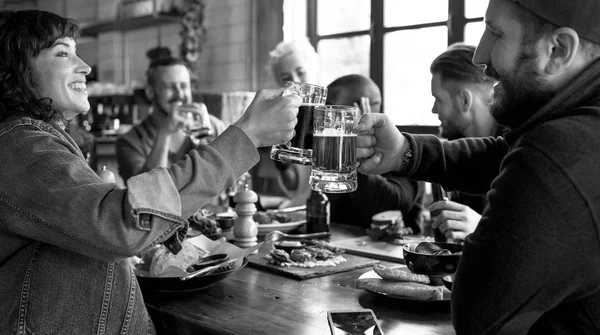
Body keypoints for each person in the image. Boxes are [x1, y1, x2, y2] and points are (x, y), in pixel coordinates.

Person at [0, 9, 301, 334]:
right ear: (16, 71)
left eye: (77, 52)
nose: (85, 67)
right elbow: (119, 225)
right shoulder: (21, 144)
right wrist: (246, 136)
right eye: (63, 53)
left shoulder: (38, 141)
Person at [356, 0, 600, 333]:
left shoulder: (559, 152)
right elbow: (503, 153)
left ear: (558, 50)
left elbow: (477, 316)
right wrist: (403, 152)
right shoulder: (578, 128)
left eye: (495, 33)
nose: (480, 55)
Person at [326, 74, 424, 232]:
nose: (325, 115)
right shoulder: (332, 151)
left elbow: (389, 208)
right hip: (345, 248)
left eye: (330, 108)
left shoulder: (403, 150)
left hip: (396, 252)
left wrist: (359, 157)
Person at [428, 43, 500, 241]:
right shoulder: (457, 155)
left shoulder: (517, 149)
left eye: (438, 99)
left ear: (465, 101)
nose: (434, 110)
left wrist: (482, 228)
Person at [116, 56, 227, 182]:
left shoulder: (214, 127)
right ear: (150, 92)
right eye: (170, 87)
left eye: (184, 86)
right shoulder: (130, 142)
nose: (180, 94)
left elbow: (234, 179)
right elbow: (148, 192)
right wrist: (164, 134)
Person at [254, 39, 320, 207]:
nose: (296, 81)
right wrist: (282, 166)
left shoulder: (335, 115)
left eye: (301, 72)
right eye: (286, 78)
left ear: (313, 69)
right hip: (299, 209)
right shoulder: (285, 123)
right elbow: (294, 187)